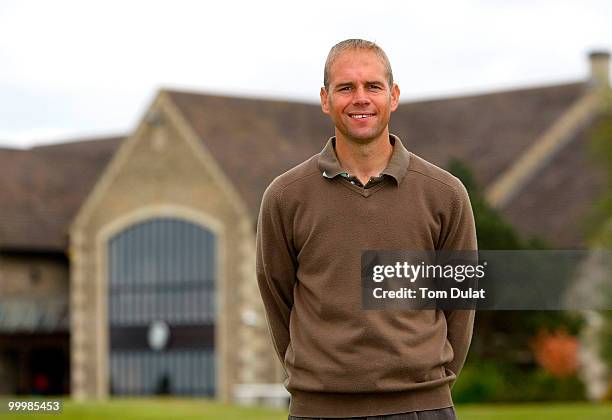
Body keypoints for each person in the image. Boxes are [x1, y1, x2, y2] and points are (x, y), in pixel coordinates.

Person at [256, 39, 477, 420]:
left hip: (423, 409)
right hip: (319, 410)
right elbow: (277, 298)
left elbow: (461, 303)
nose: (361, 98)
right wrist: (319, 375)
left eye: (372, 86)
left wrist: (428, 383)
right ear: (326, 100)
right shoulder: (285, 196)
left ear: (393, 96)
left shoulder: (446, 194)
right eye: (346, 87)